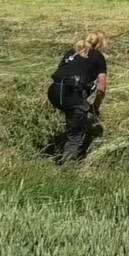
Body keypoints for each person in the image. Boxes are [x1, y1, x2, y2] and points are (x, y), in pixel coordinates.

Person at [47, 31, 108, 162]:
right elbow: (101, 89)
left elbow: (62, 71)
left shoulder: (72, 52)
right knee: (76, 132)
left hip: (54, 91)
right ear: (100, 45)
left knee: (73, 115)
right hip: (73, 92)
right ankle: (67, 166)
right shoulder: (98, 56)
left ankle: (57, 149)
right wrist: (95, 108)